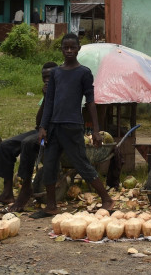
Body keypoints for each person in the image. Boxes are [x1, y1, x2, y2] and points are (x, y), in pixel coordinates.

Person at [32, 33, 114, 217]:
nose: (69, 51)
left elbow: (91, 102)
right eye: (65, 47)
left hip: (72, 126)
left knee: (82, 164)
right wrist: (43, 127)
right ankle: (51, 206)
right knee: (50, 165)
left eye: (72, 47)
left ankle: (107, 199)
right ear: (61, 49)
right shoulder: (56, 73)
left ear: (78, 49)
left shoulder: (83, 73)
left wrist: (96, 130)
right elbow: (50, 101)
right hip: (54, 127)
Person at [0, 61, 58, 211]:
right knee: (6, 146)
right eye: (44, 77)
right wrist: (45, 97)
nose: (47, 80)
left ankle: (26, 188)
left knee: (28, 143)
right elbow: (38, 121)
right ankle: (7, 193)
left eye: (50, 76)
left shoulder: (63, 91)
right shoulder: (47, 91)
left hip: (56, 132)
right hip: (41, 130)